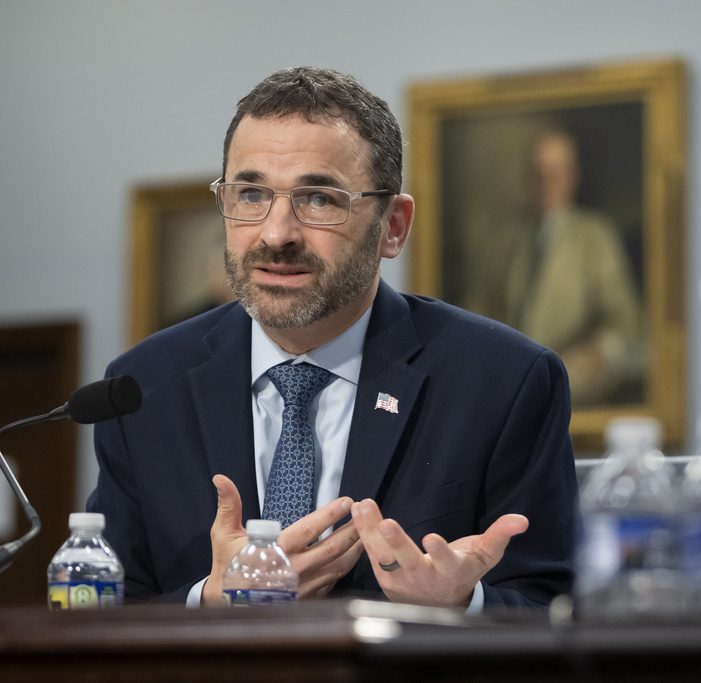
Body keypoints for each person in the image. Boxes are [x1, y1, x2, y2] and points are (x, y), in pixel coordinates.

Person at [87, 67, 579, 609]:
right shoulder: (144, 387)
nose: (276, 234)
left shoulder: (503, 380)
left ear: (393, 226)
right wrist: (209, 602)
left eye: (319, 198)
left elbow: (556, 607)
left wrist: (461, 605)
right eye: (251, 194)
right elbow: (101, 615)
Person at [503, 130, 644, 406]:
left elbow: (625, 322)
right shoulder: (512, 241)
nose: (546, 183)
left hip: (572, 386)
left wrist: (597, 353)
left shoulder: (594, 236)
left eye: (554, 173)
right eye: (538, 173)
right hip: (513, 388)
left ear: (571, 176)